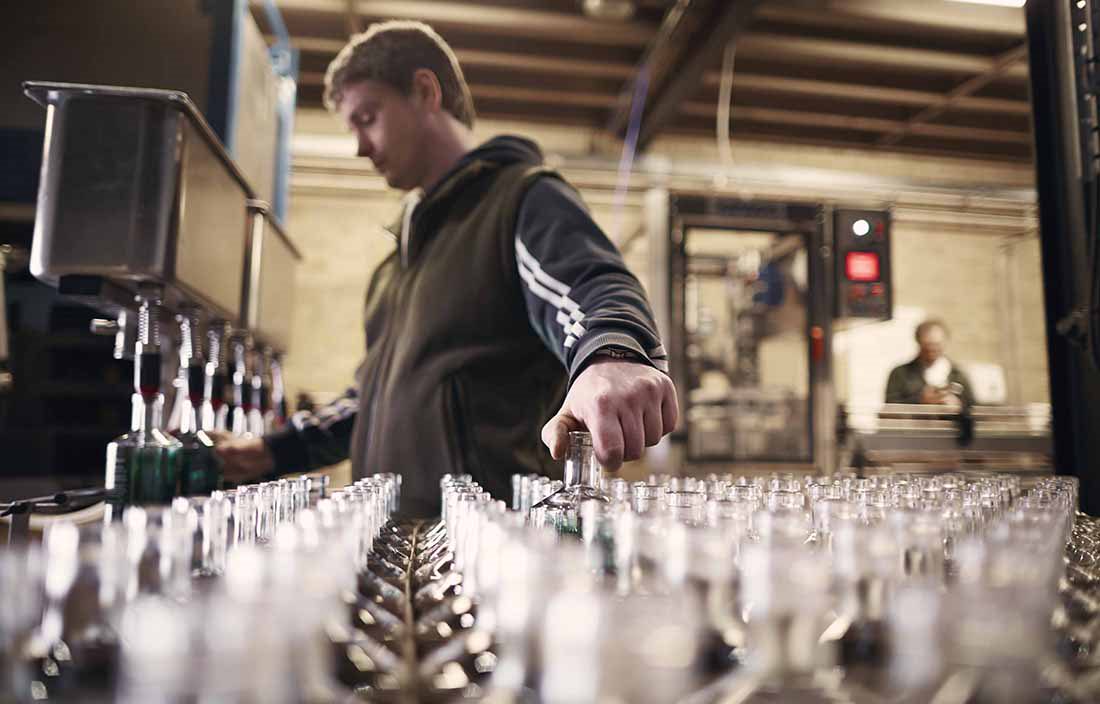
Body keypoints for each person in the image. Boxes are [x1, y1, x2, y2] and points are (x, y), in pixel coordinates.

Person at [216, 20, 677, 517]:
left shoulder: (519, 198)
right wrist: (274, 451)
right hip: (399, 550)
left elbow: (590, 283)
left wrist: (609, 355)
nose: (360, 147)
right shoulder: (393, 269)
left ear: (424, 91)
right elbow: (370, 398)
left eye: (367, 118)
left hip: (489, 550)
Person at [884, 319, 974, 408]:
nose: (932, 350)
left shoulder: (958, 375)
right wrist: (921, 401)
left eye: (937, 345)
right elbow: (890, 409)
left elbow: (973, 410)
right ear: (918, 342)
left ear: (945, 342)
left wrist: (959, 406)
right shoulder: (900, 374)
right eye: (928, 345)